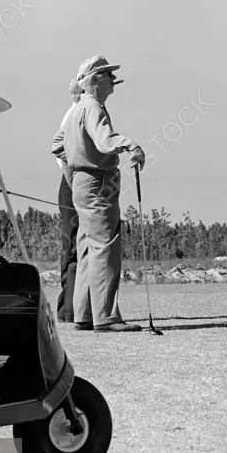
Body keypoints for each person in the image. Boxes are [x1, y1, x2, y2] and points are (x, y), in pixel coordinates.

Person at [53, 55, 145, 332]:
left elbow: (57, 146)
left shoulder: (78, 108)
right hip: (97, 183)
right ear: (94, 80)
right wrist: (132, 146)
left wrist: (74, 176)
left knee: (87, 249)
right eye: (108, 75)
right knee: (105, 247)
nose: (113, 82)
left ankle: (84, 315)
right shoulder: (93, 107)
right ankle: (106, 317)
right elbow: (105, 141)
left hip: (83, 183)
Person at [52, 89, 80, 324]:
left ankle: (72, 308)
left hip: (79, 182)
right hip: (72, 181)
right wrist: (76, 186)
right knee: (72, 247)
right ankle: (67, 309)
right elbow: (60, 151)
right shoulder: (75, 114)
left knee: (79, 247)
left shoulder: (88, 112)